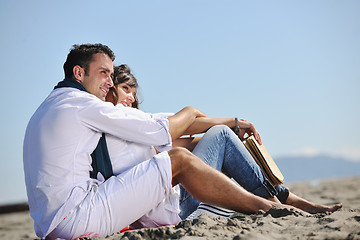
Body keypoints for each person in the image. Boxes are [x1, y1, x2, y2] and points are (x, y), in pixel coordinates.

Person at [24, 43, 305, 240]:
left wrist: (230, 122)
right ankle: (270, 204)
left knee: (195, 147)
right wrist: (191, 110)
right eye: (104, 73)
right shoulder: (83, 105)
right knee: (179, 159)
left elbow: (163, 126)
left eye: (112, 74)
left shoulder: (52, 106)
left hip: (53, 223)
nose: (109, 81)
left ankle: (273, 198)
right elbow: (163, 129)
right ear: (78, 73)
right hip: (77, 218)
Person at [106, 64, 343, 220]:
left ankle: (281, 198)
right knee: (221, 134)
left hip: (169, 204)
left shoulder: (135, 128)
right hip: (172, 208)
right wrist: (232, 124)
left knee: (222, 136)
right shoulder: (126, 121)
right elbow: (186, 123)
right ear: (110, 89)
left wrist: (233, 130)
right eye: (125, 89)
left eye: (134, 93)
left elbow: (184, 141)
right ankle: (282, 200)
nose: (131, 97)